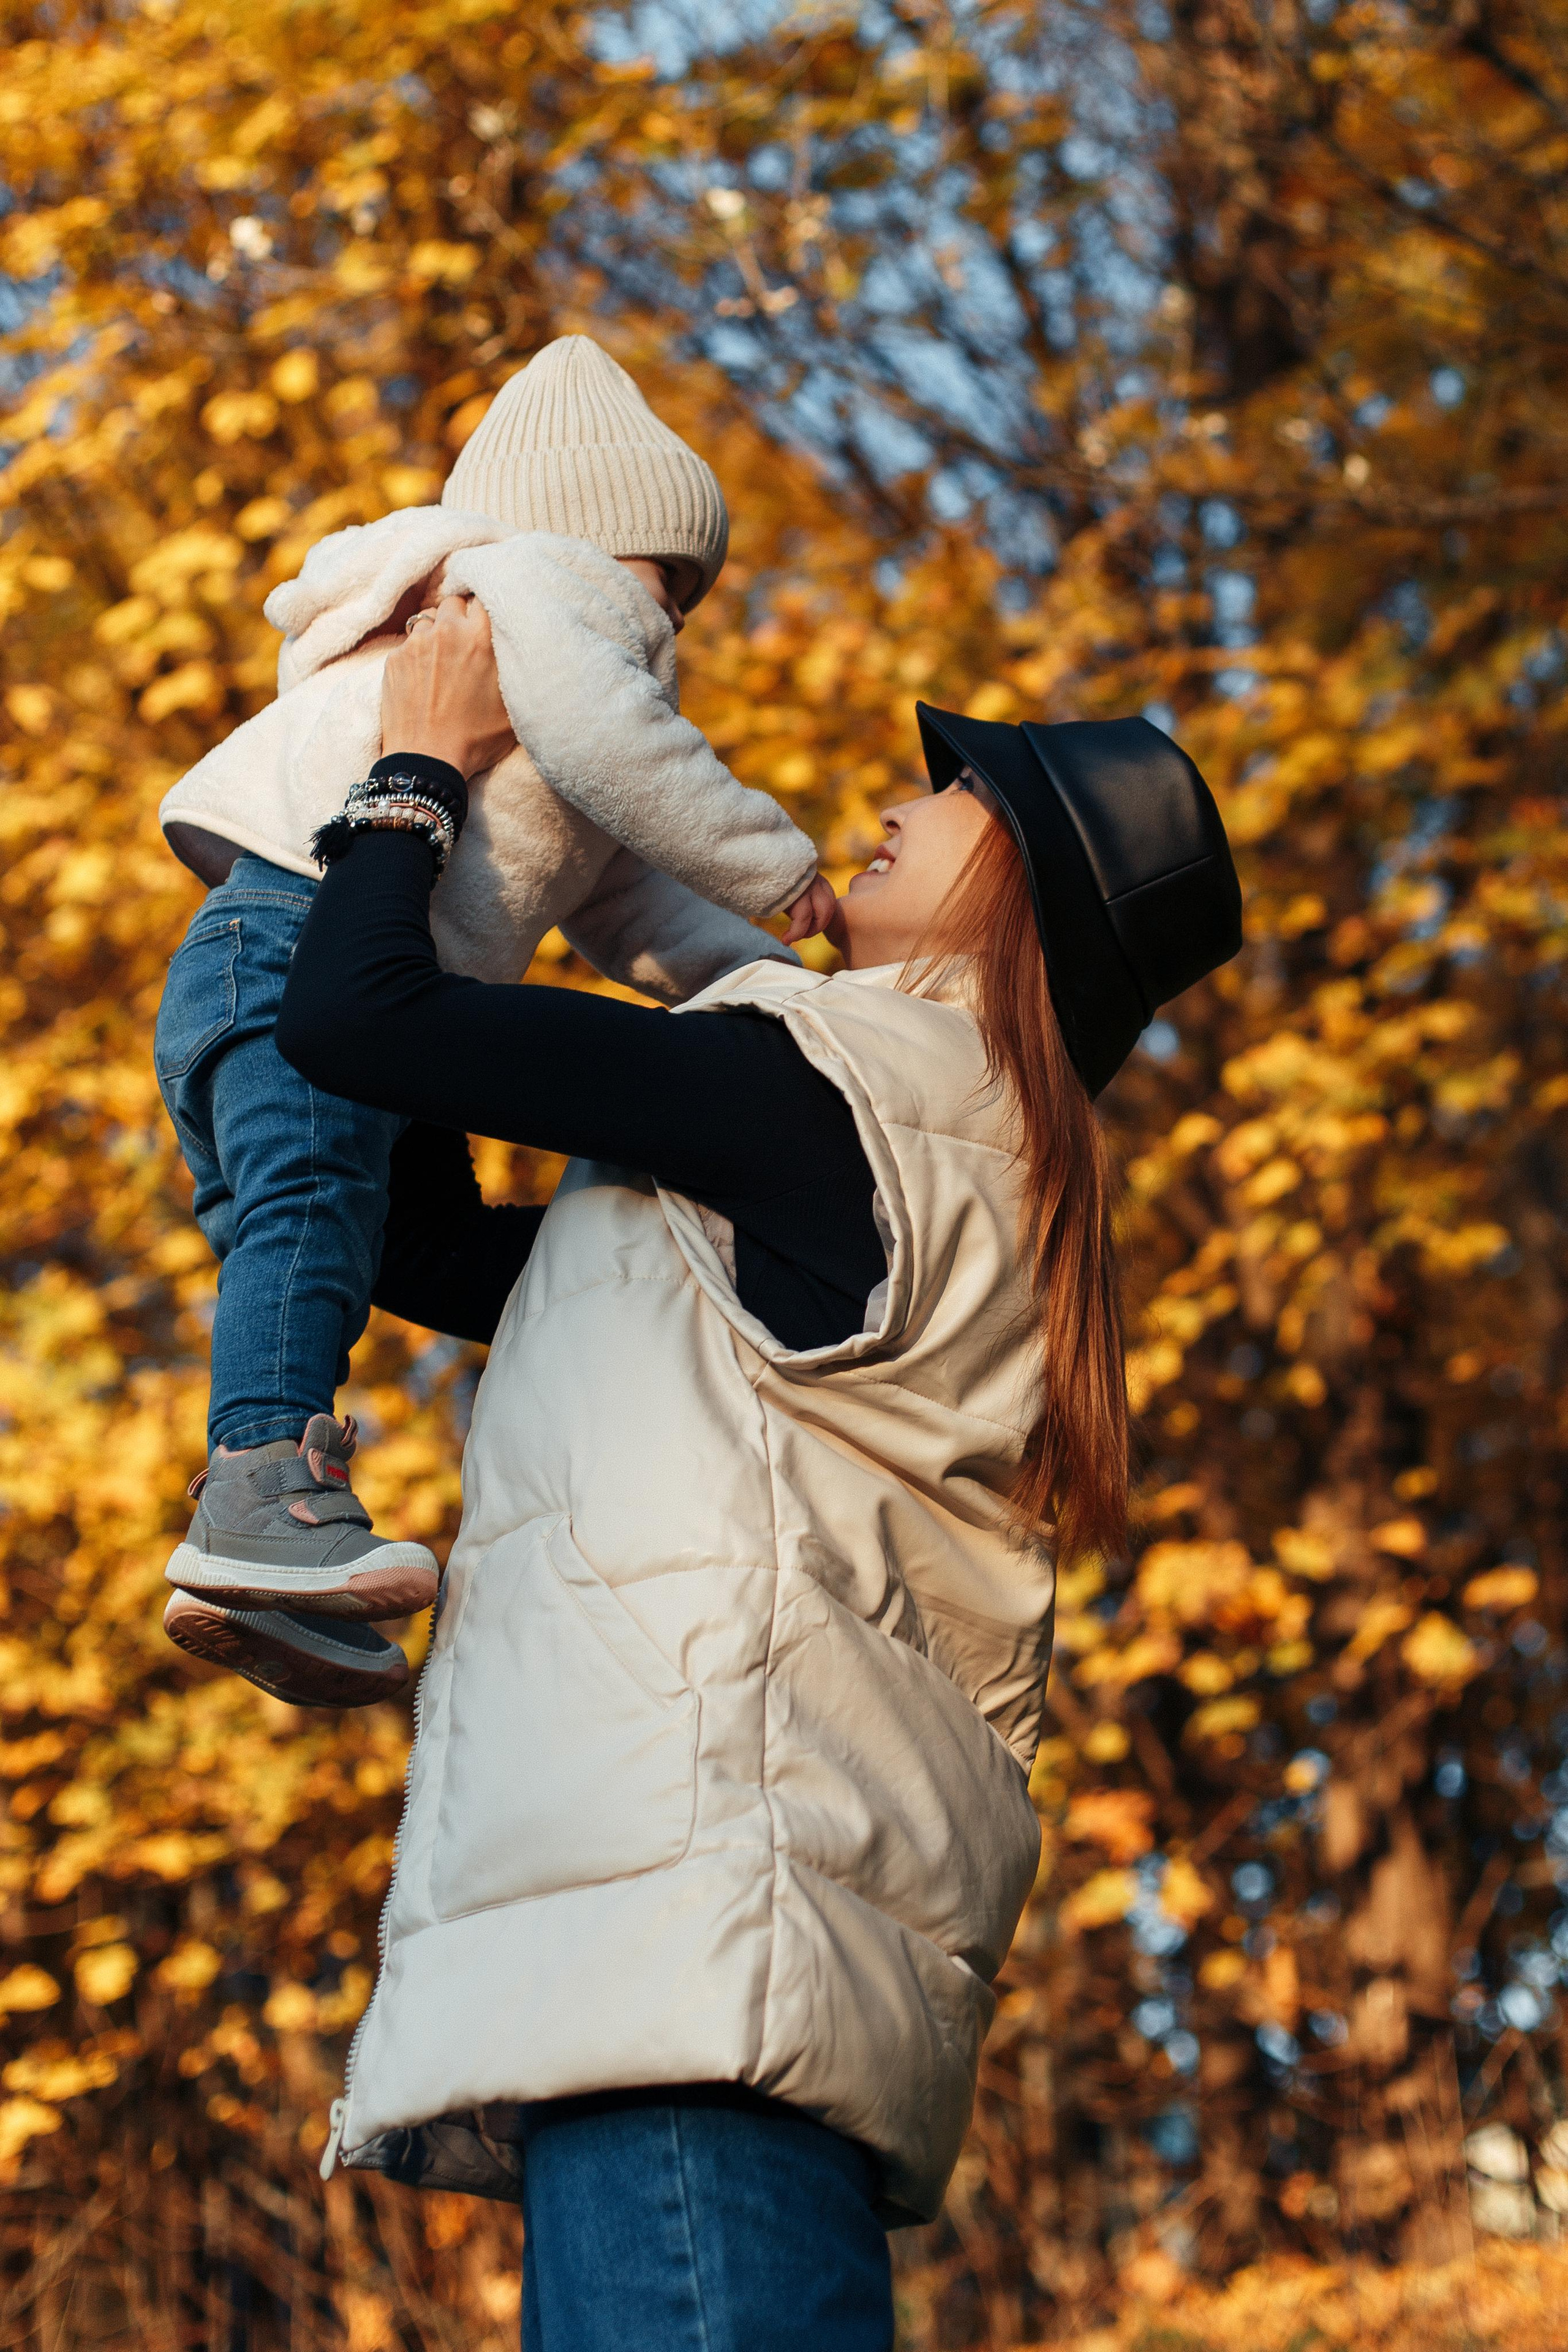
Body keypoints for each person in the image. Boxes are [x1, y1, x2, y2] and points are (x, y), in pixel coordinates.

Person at [277, 600, 1243, 2351]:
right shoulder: (908, 1142)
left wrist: (412, 766)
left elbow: (357, 1018)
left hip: (703, 1949)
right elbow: (424, 1241)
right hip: (705, 1941)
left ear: (1020, 895)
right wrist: (489, 876)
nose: (899, 802)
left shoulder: (838, 1088)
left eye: (961, 798)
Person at [154, 336, 833, 1706]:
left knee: (401, 1242)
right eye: (668, 584)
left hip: (294, 964)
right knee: (308, 1213)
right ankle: (259, 1488)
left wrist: (783, 990)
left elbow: (631, 906)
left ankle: (291, 1599)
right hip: (292, 945)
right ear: (599, 542)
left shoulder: (530, 658)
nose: (669, 624)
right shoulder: (533, 585)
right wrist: (779, 867)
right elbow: (617, 749)